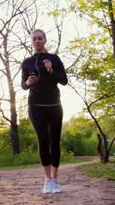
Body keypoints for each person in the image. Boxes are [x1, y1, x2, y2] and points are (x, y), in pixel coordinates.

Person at [21, 29, 68, 194]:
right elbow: (23, 85)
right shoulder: (27, 62)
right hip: (35, 107)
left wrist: (51, 71)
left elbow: (64, 81)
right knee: (43, 141)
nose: (37, 41)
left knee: (54, 141)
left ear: (45, 40)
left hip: (54, 105)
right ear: (31, 42)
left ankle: (55, 180)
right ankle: (47, 180)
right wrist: (28, 81)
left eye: (40, 38)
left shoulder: (54, 59)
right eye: (34, 39)